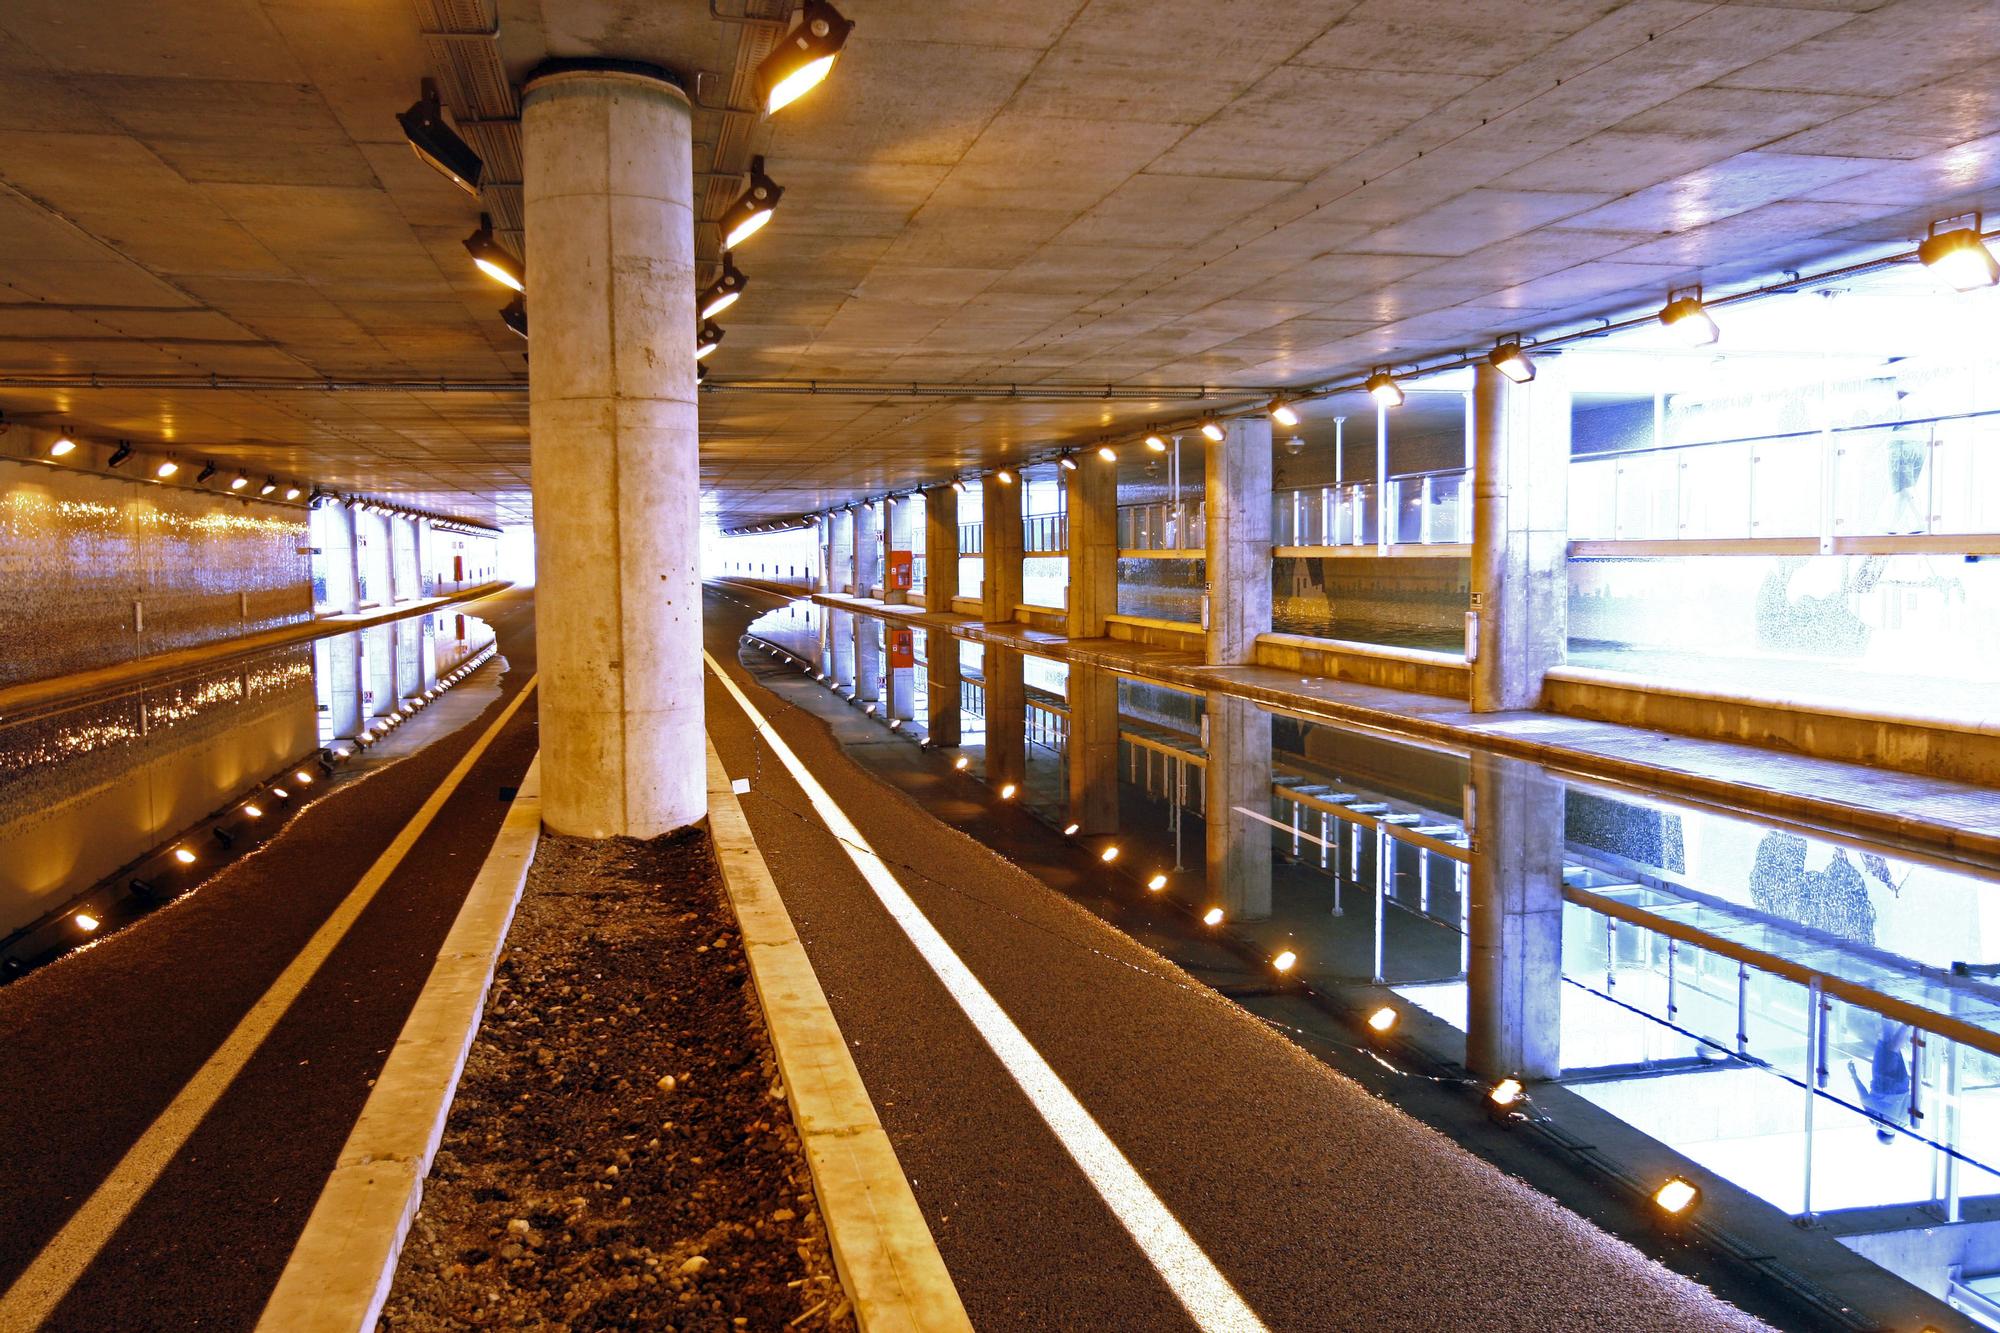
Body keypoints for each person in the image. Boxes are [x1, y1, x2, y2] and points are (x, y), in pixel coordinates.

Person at [1848, 1021, 1912, 1144]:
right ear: (1880, 1133)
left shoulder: (1904, 1123)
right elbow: (1864, 1097)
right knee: (1890, 1049)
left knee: (1890, 1048)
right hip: (1883, 1085)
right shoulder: (1877, 1123)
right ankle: (1907, 1022)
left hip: (1903, 1085)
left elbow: (1912, 1102)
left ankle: (1890, 1016)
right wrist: (1854, 1075)